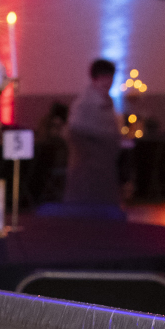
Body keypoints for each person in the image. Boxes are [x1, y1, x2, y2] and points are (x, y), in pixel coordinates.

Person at [64, 58, 124, 218]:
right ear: (96, 78)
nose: (108, 82)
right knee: (86, 214)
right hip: (88, 167)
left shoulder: (107, 100)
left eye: (110, 78)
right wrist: (102, 143)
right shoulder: (84, 103)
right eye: (104, 77)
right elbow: (74, 132)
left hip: (104, 165)